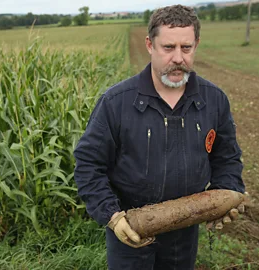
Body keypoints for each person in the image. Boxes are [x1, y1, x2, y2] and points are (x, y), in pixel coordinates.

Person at [73, 4, 245, 270]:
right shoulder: (116, 103)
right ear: (150, 45)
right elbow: (88, 165)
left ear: (196, 44)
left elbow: (227, 157)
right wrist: (112, 216)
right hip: (131, 228)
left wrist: (226, 190)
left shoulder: (214, 100)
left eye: (186, 48)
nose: (178, 58)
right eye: (168, 48)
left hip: (185, 230)